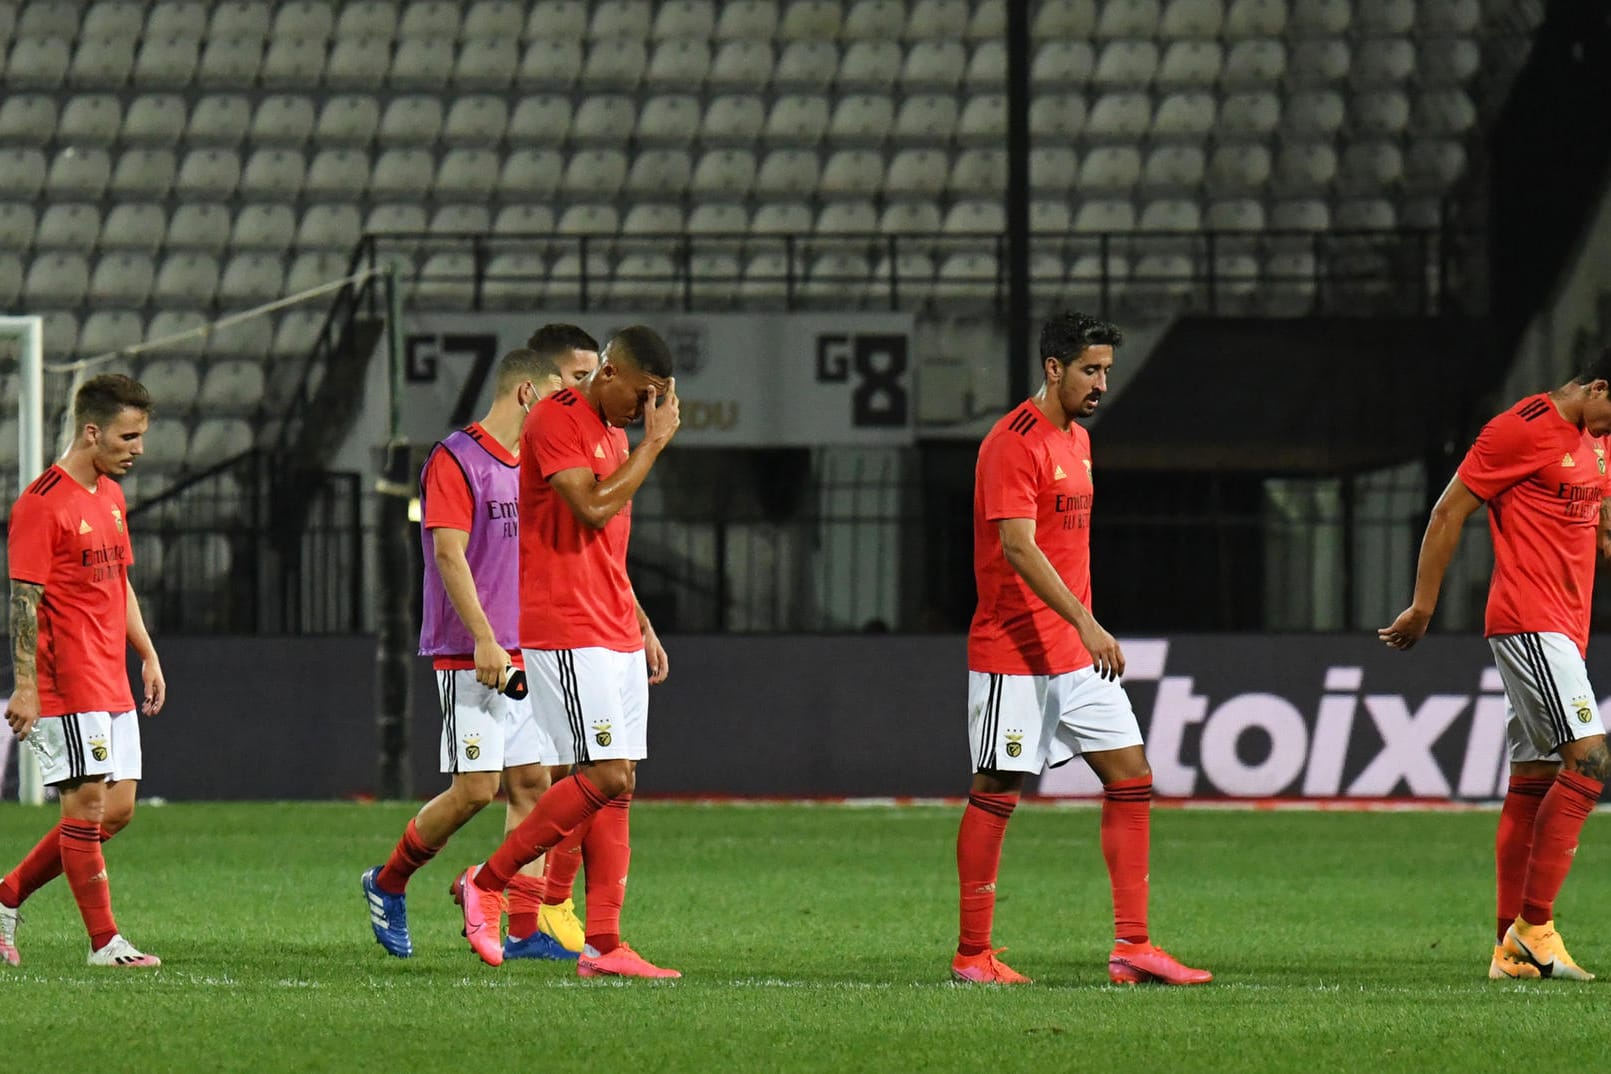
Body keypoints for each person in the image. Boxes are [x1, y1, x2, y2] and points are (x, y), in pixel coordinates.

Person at [952, 312, 1212, 987]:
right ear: (1052, 368)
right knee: (997, 787)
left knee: (1131, 777)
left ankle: (1132, 946)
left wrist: (1081, 630)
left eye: (1105, 372)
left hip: (1073, 650)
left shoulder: (1079, 441)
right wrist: (1088, 622)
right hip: (1015, 648)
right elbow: (1017, 546)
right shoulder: (1012, 443)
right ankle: (971, 954)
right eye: (1089, 370)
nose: (1100, 384)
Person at [454, 325, 680, 978]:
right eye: (641, 395)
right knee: (602, 774)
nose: (646, 412)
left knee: (621, 785)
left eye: (657, 401)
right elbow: (589, 510)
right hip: (565, 623)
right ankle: (489, 881)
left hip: (609, 623)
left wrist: (638, 620)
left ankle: (605, 945)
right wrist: (655, 445)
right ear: (608, 374)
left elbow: (607, 548)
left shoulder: (614, 433)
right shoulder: (557, 418)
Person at [1380, 353, 1611, 981]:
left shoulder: (1598, 437)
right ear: (1597, 387)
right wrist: (1423, 607)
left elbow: (1599, 532)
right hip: (1530, 619)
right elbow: (1448, 511)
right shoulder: (1520, 427)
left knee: (1533, 776)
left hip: (1567, 625)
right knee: (1590, 763)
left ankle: (1510, 951)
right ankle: (1535, 930)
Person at [363, 346, 585, 961]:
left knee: (533, 786)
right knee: (474, 790)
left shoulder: (534, 464)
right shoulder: (456, 459)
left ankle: (519, 928)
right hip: (472, 652)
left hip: (527, 649)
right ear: (525, 395)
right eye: (554, 397)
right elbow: (448, 554)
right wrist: (485, 636)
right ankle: (388, 881)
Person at [0, 374, 165, 968]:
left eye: (141, 435)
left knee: (116, 812)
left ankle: (5, 896)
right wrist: (25, 686)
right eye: (128, 435)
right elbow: (24, 600)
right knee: (86, 808)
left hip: (110, 677)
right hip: (65, 680)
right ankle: (105, 943)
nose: (137, 448)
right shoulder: (42, 503)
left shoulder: (111, 497)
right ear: (92, 431)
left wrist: (145, 652)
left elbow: (118, 583)